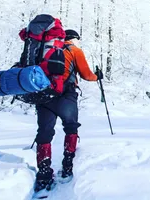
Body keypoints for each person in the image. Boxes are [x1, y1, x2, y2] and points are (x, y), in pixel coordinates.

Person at [34, 29, 104, 192]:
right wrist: (97, 76)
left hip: (44, 96)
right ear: (74, 39)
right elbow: (86, 75)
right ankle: (67, 165)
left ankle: (44, 175)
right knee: (71, 127)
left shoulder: (45, 49)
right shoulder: (75, 50)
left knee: (44, 132)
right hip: (66, 94)